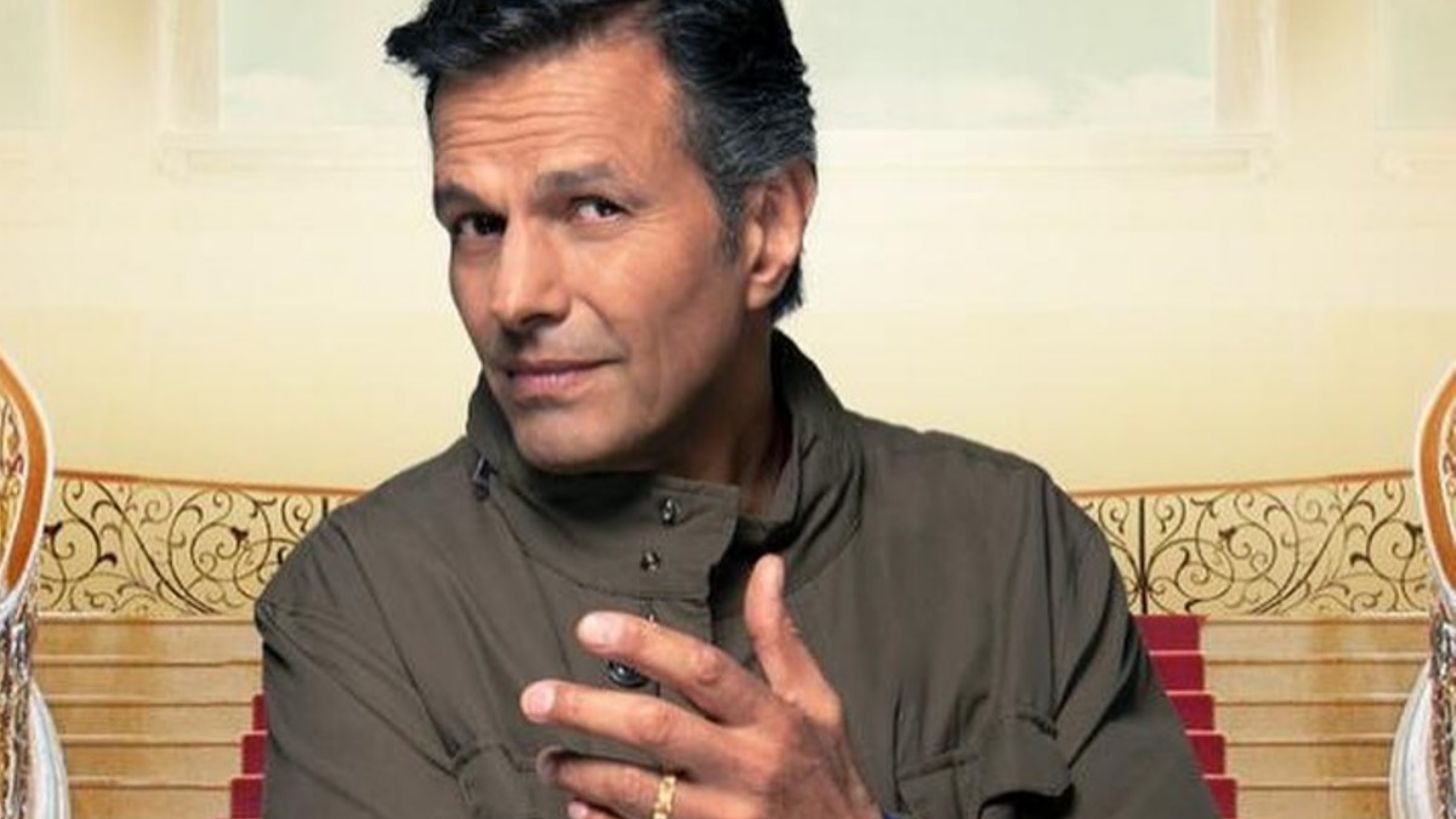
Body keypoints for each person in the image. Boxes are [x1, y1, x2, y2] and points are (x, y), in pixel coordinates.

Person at [255, 2, 1219, 817]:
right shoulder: (357, 602)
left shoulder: (1015, 547)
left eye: (592, 208)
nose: (513, 297)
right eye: (477, 224)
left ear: (766, 228)